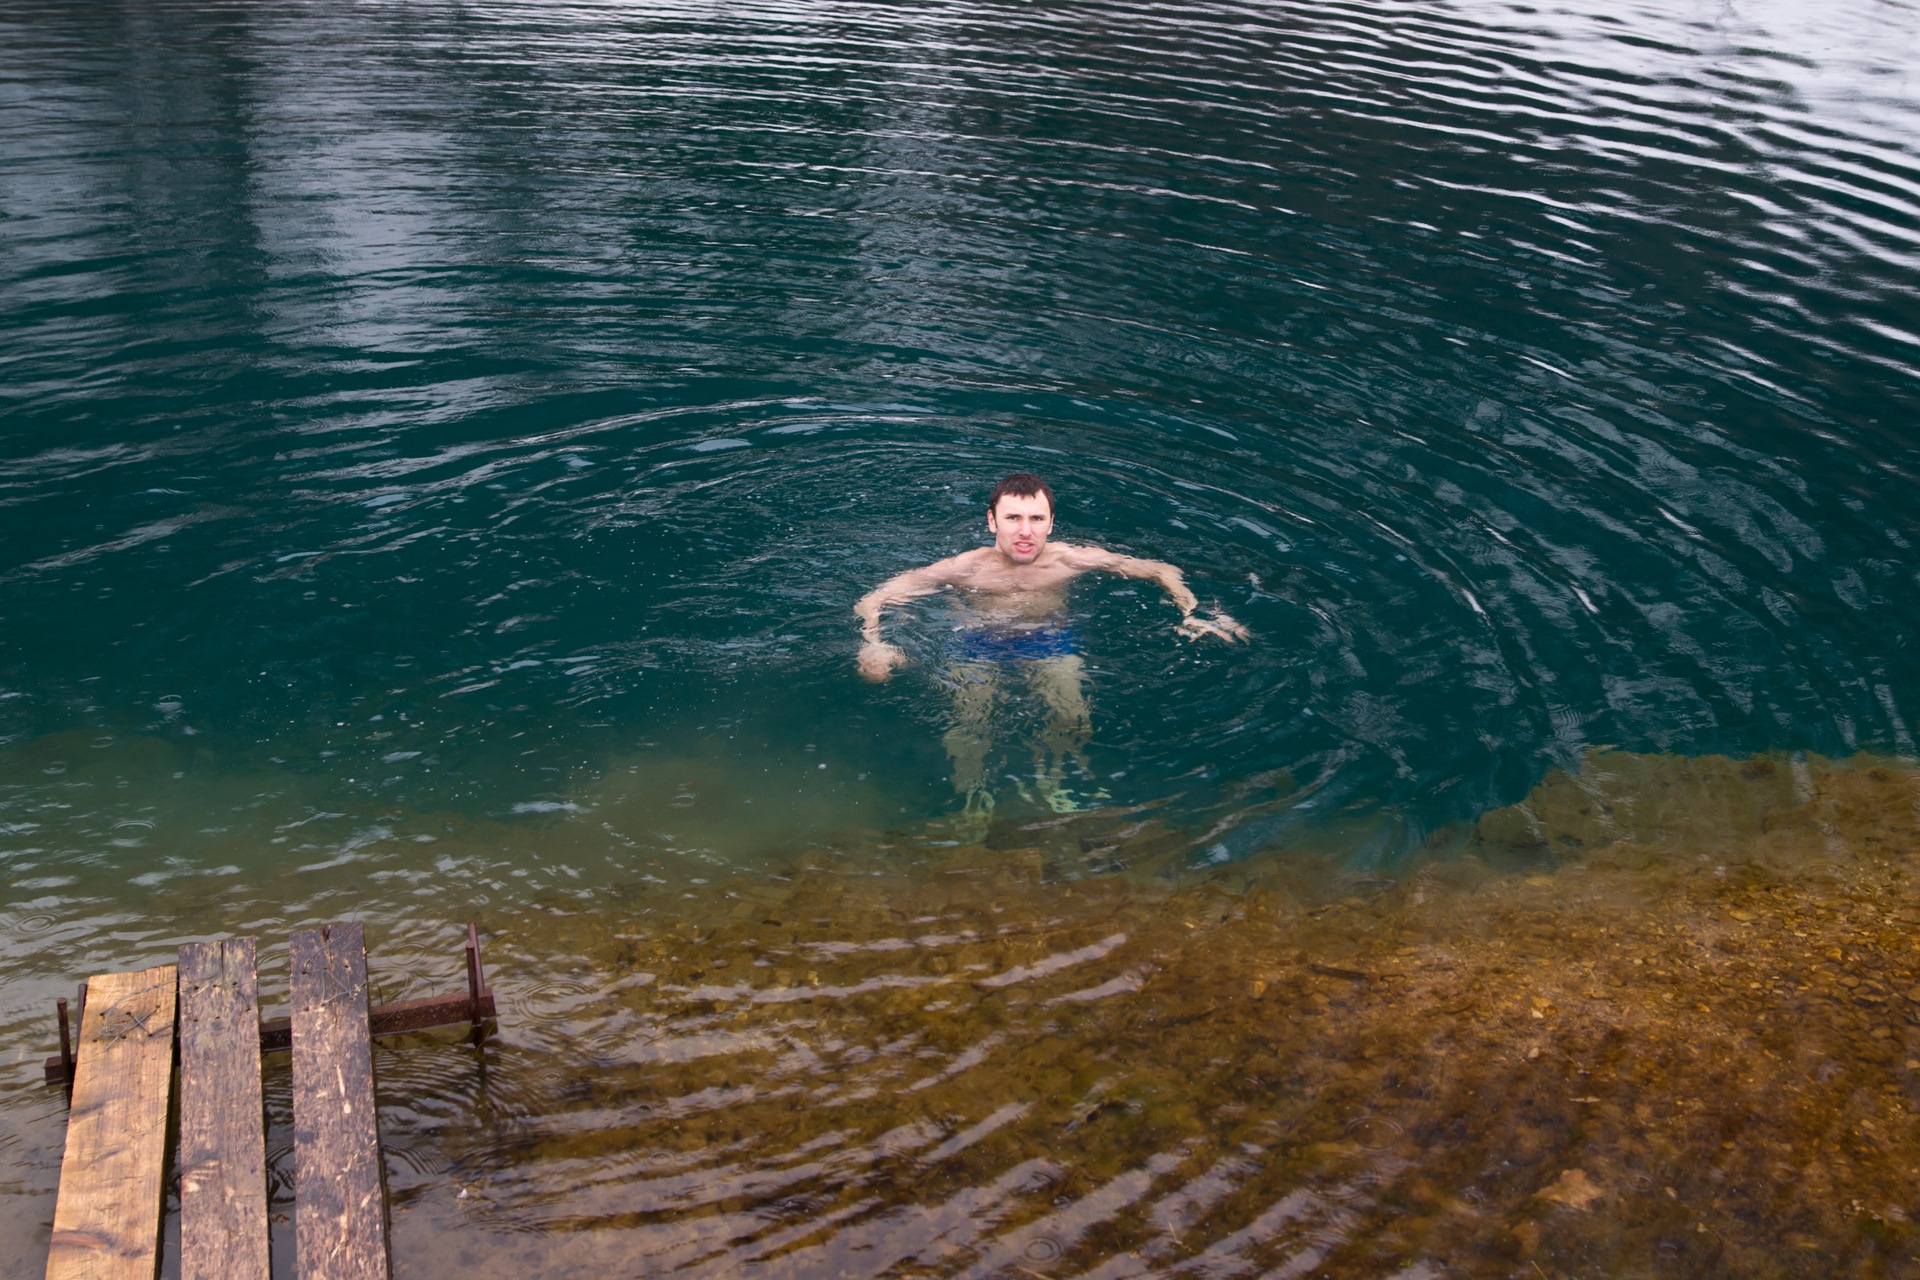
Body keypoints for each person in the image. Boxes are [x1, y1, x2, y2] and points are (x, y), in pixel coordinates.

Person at [854, 473, 1249, 822]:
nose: (1025, 531)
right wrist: (874, 643)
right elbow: (877, 598)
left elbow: (1161, 570)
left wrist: (1193, 613)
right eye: (1013, 518)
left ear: (1050, 524)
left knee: (1073, 717)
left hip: (1049, 638)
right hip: (977, 642)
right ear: (992, 520)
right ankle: (973, 793)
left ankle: (1057, 784)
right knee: (972, 724)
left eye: (1036, 519)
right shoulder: (965, 568)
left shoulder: (1071, 560)